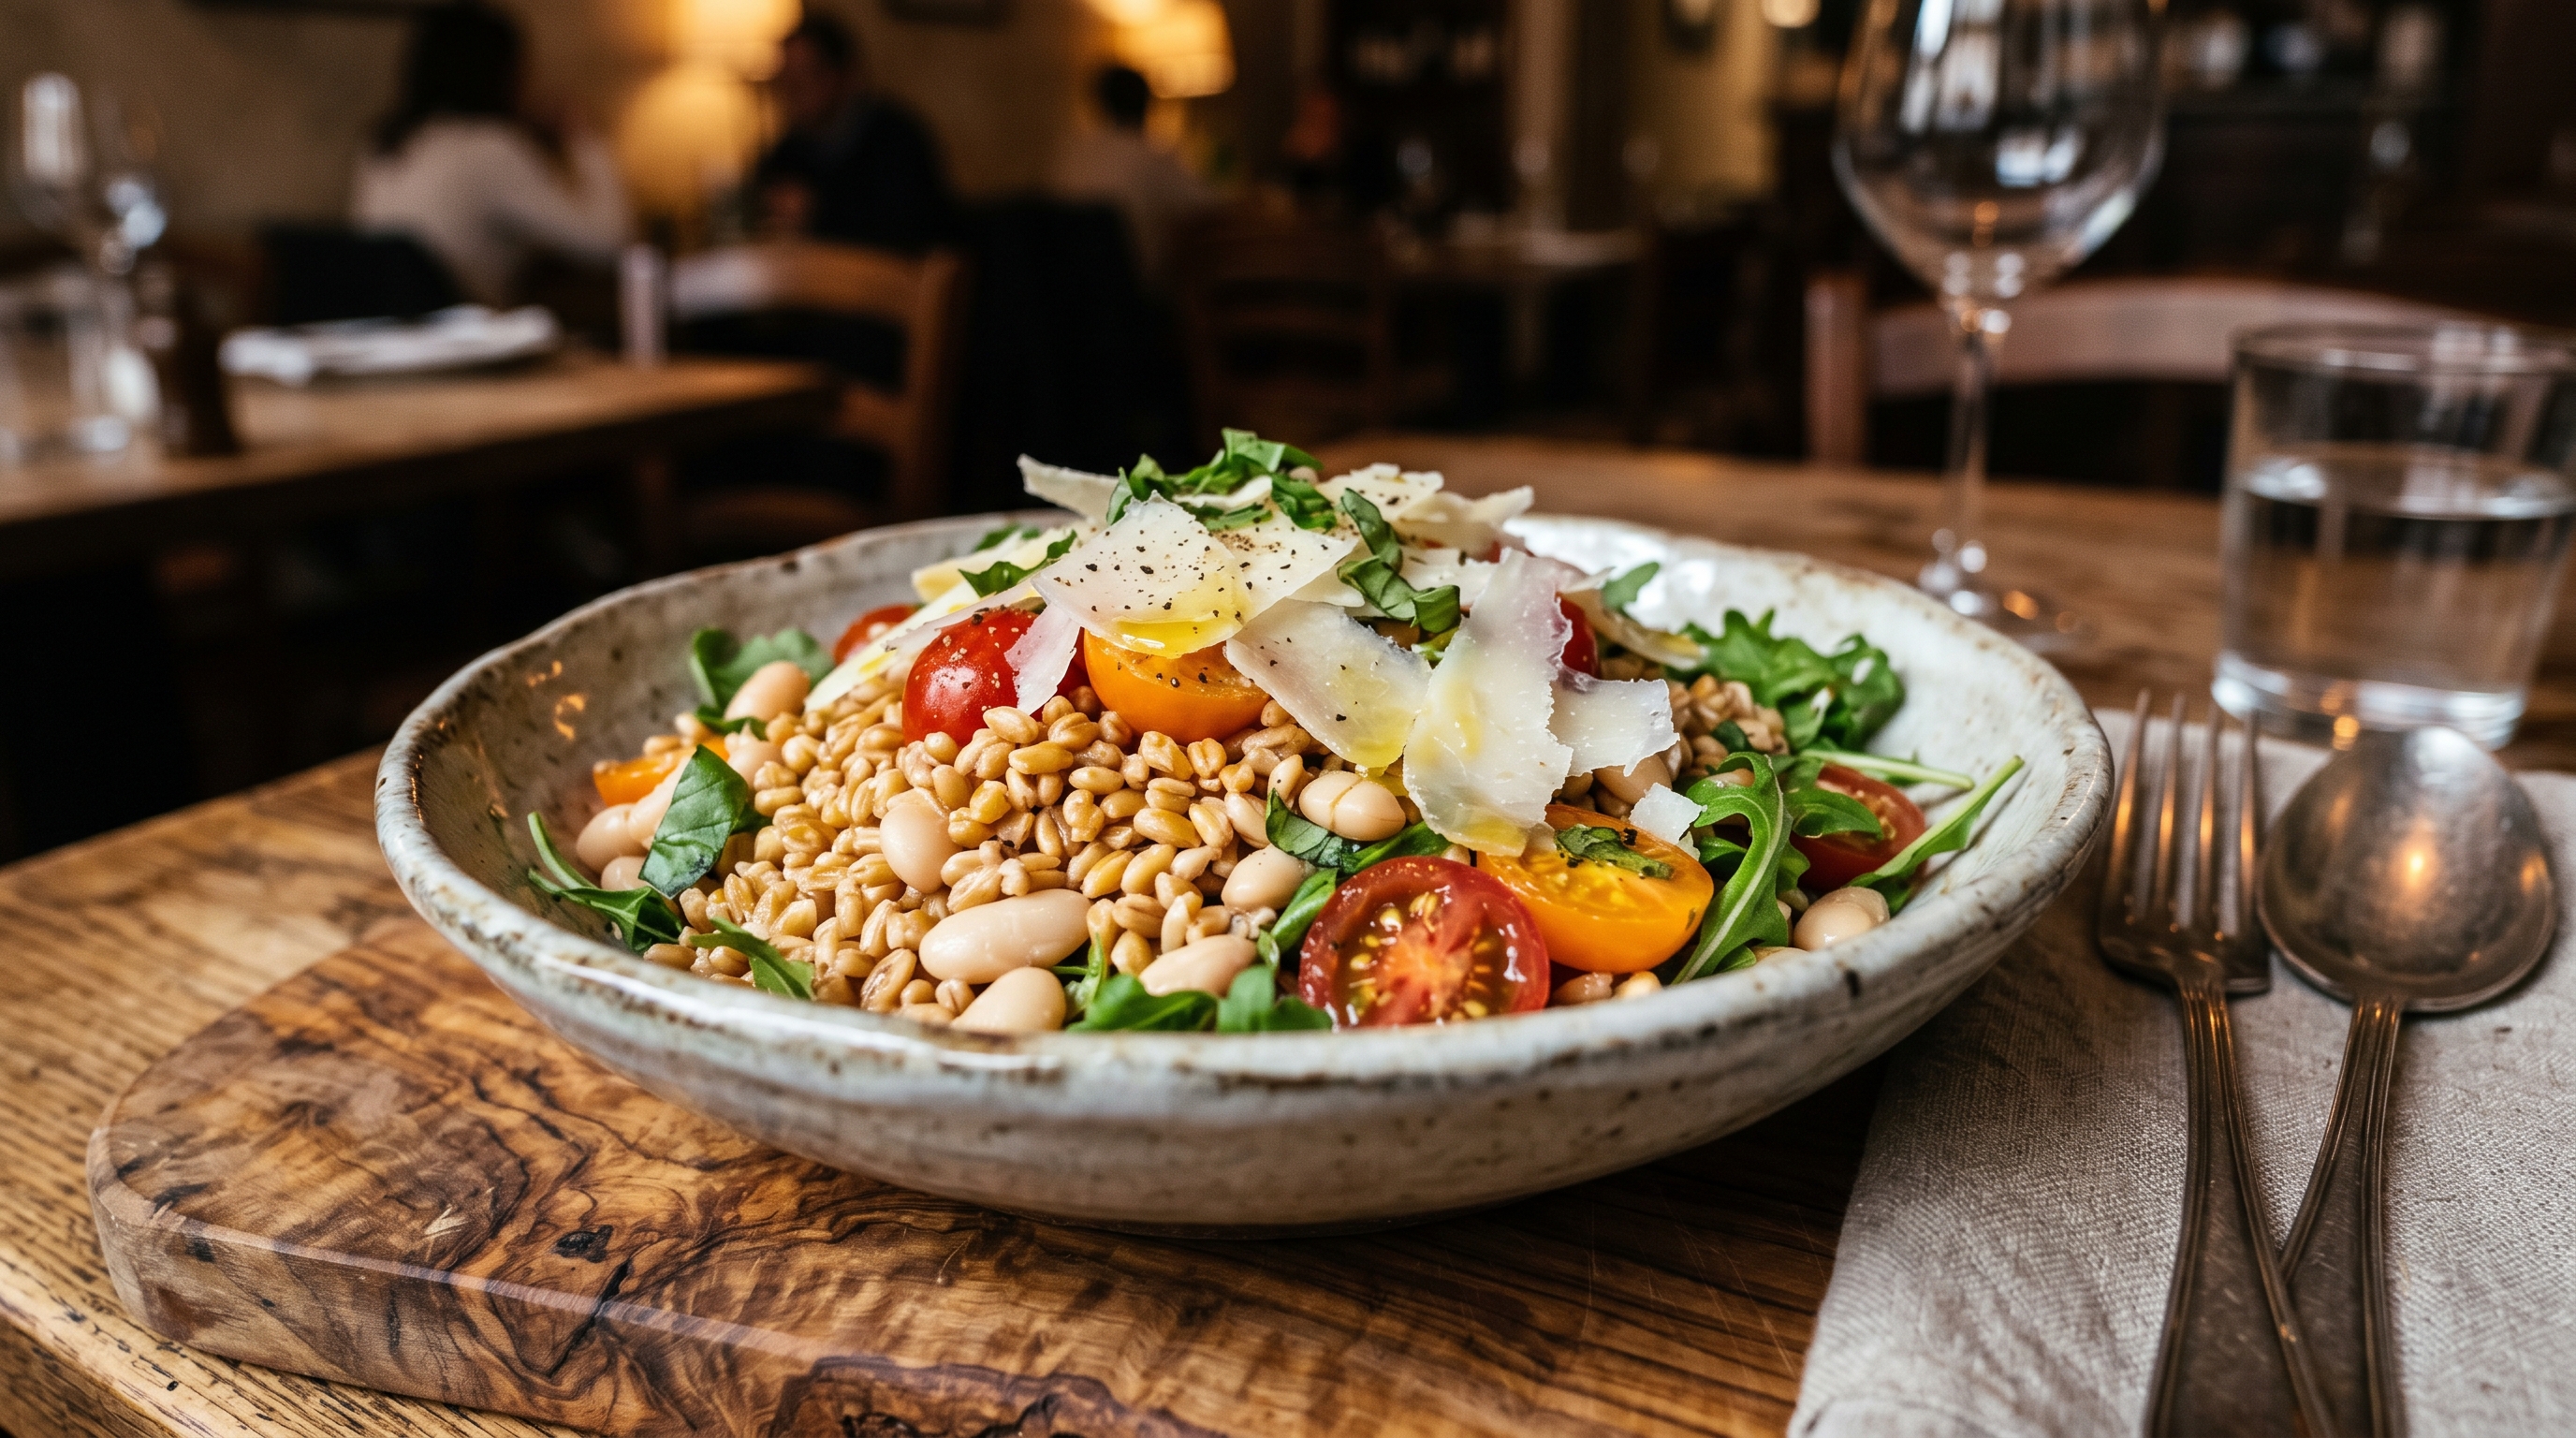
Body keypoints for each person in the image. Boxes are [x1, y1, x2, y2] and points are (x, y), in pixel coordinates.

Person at [351, 2, 629, 308]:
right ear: (502, 74)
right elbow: (609, 244)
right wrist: (581, 135)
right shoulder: (489, 146)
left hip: (386, 329)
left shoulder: (383, 143)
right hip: (466, 329)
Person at [749, 14, 955, 253]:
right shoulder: (789, 150)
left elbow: (911, 231)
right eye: (786, 78)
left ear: (847, 75)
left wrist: (819, 214)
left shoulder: (895, 138)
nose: (794, 89)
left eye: (807, 74)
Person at [1046, 65, 1213, 283]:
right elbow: (1208, 206)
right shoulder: (1152, 154)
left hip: (1070, 287)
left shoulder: (1072, 154)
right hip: (1136, 285)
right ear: (1148, 104)